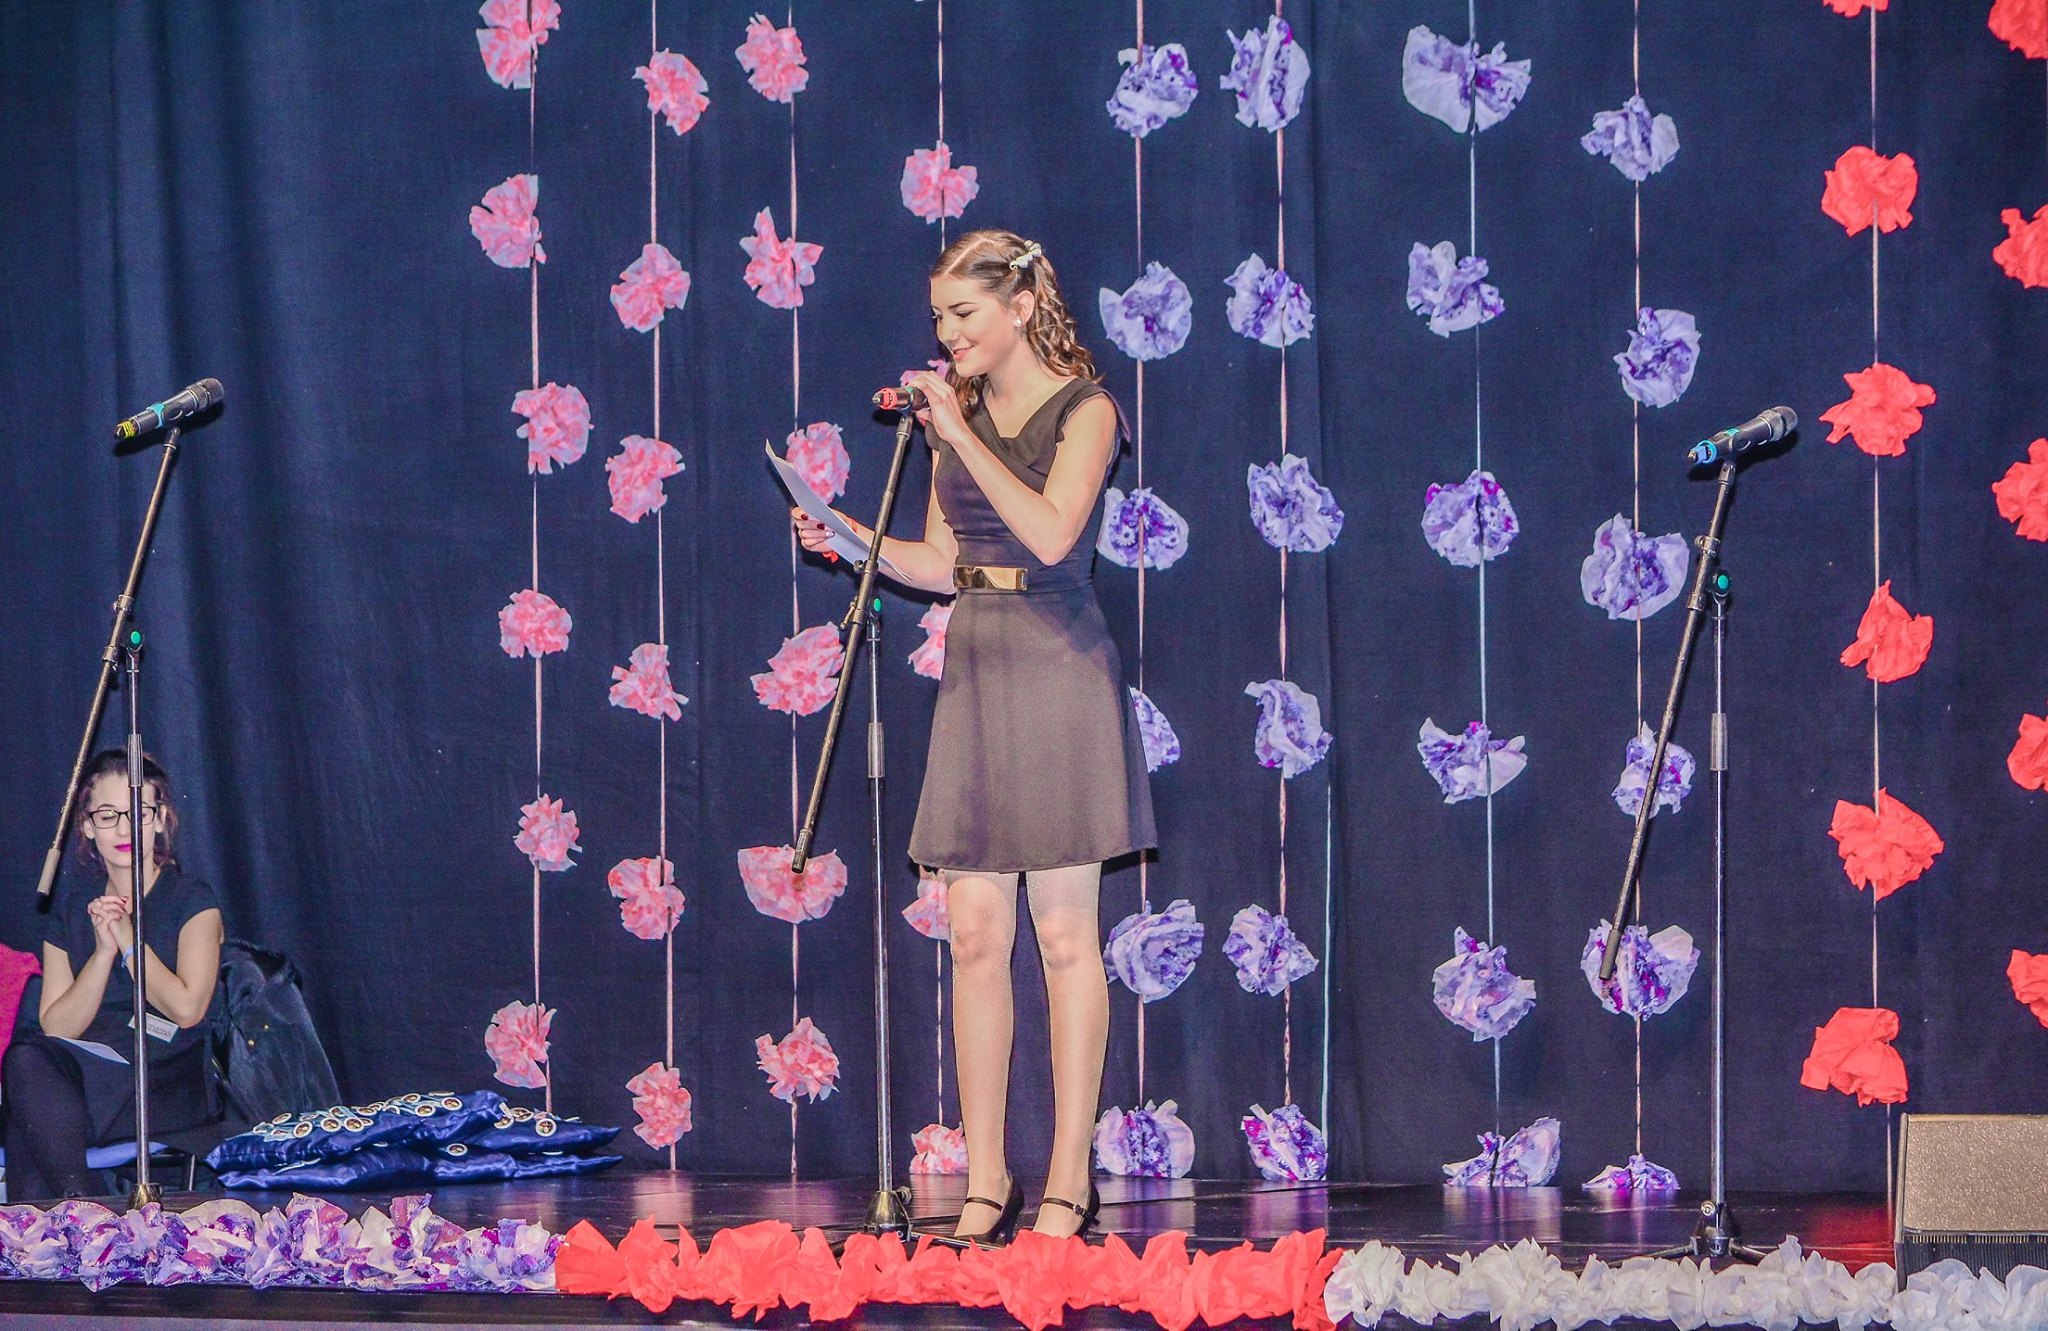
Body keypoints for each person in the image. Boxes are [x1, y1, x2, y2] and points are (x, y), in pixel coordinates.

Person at [795, 229, 1156, 1242]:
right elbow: (939, 559)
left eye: (962, 313)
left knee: (1066, 935)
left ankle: (1069, 1179)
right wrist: (848, 537)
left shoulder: (1087, 409)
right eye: (939, 318)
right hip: (979, 661)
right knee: (975, 933)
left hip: (1059, 663)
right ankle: (987, 1178)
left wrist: (955, 428)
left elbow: (1049, 533)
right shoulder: (957, 421)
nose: (947, 333)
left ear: (1018, 306)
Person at [3, 750, 224, 1200]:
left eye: (137, 813)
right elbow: (57, 1026)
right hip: (86, 1074)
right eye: (107, 816)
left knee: (29, 1112)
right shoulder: (72, 909)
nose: (124, 830)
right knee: (29, 1064)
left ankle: (78, 1216)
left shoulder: (192, 900)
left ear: (160, 818)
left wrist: (128, 942)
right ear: (87, 826)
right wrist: (103, 954)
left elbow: (187, 1009)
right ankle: (81, 1213)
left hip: (162, 1073)